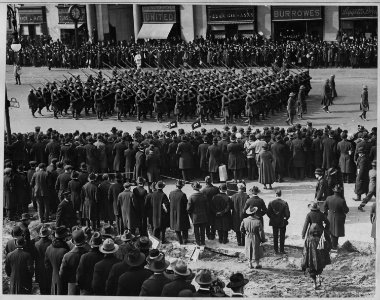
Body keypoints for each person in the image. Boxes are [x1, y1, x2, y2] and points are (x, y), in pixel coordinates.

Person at [301, 203, 331, 289]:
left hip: (311, 238)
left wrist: (303, 235)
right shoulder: (321, 214)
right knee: (321, 255)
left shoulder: (309, 214)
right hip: (321, 237)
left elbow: (305, 225)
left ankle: (314, 282)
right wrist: (325, 230)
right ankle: (319, 275)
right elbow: (328, 223)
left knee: (310, 257)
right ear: (317, 208)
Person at [59, 229, 88, 295]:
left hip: (72, 284)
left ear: (73, 241)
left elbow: (62, 274)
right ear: (84, 240)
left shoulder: (67, 256)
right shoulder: (88, 253)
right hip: (85, 286)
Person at [44, 226, 70, 295]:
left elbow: (47, 266)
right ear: (64, 238)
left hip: (53, 278)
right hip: (64, 280)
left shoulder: (49, 248)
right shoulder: (65, 251)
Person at [323, 185, 349, 251]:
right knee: (336, 233)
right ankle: (334, 246)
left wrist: (326, 214)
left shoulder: (328, 198)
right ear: (340, 192)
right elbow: (346, 210)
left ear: (333, 191)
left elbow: (324, 207)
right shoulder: (342, 201)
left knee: (330, 231)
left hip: (330, 217)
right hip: (338, 218)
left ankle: (329, 245)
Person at [267, 189, 290, 254]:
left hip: (274, 221)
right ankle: (282, 250)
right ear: (281, 194)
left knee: (275, 235)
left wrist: (272, 218)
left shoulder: (271, 202)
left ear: (276, 194)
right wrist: (285, 219)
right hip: (282, 221)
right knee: (282, 236)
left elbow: (268, 212)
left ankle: (275, 250)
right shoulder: (284, 203)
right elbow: (287, 214)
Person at [169, 179, 190, 245]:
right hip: (181, 212)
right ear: (182, 186)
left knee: (176, 228)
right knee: (184, 227)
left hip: (173, 212)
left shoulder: (171, 193)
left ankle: (180, 241)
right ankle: (184, 240)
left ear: (176, 185)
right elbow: (186, 204)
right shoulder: (183, 194)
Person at [187, 181, 208, 246]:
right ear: (199, 188)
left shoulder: (191, 197)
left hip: (195, 217)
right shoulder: (204, 196)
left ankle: (198, 242)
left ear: (193, 188)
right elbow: (207, 206)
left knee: (196, 231)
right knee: (202, 230)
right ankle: (203, 242)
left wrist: (190, 214)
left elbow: (188, 208)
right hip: (203, 216)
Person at [34, 225, 53, 295]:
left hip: (39, 268)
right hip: (48, 268)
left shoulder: (36, 244)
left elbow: (34, 257)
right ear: (48, 235)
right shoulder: (51, 243)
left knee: (42, 288)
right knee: (49, 288)